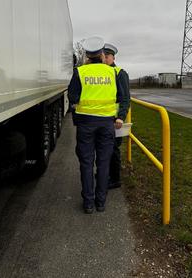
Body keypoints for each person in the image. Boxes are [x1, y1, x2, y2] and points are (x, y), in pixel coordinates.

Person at [68, 36, 127, 214]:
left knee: (86, 163)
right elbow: (121, 97)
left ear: (87, 55)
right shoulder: (113, 73)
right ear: (102, 54)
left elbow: (72, 97)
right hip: (106, 124)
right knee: (103, 163)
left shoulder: (80, 72)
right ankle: (100, 203)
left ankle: (88, 204)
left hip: (86, 124)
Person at [104, 43, 130, 189]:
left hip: (115, 119)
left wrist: (121, 117)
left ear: (113, 57)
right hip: (103, 117)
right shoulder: (101, 73)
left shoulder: (120, 73)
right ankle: (105, 173)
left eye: (108, 56)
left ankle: (115, 179)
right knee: (104, 148)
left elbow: (126, 98)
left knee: (113, 150)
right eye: (104, 56)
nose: (105, 59)